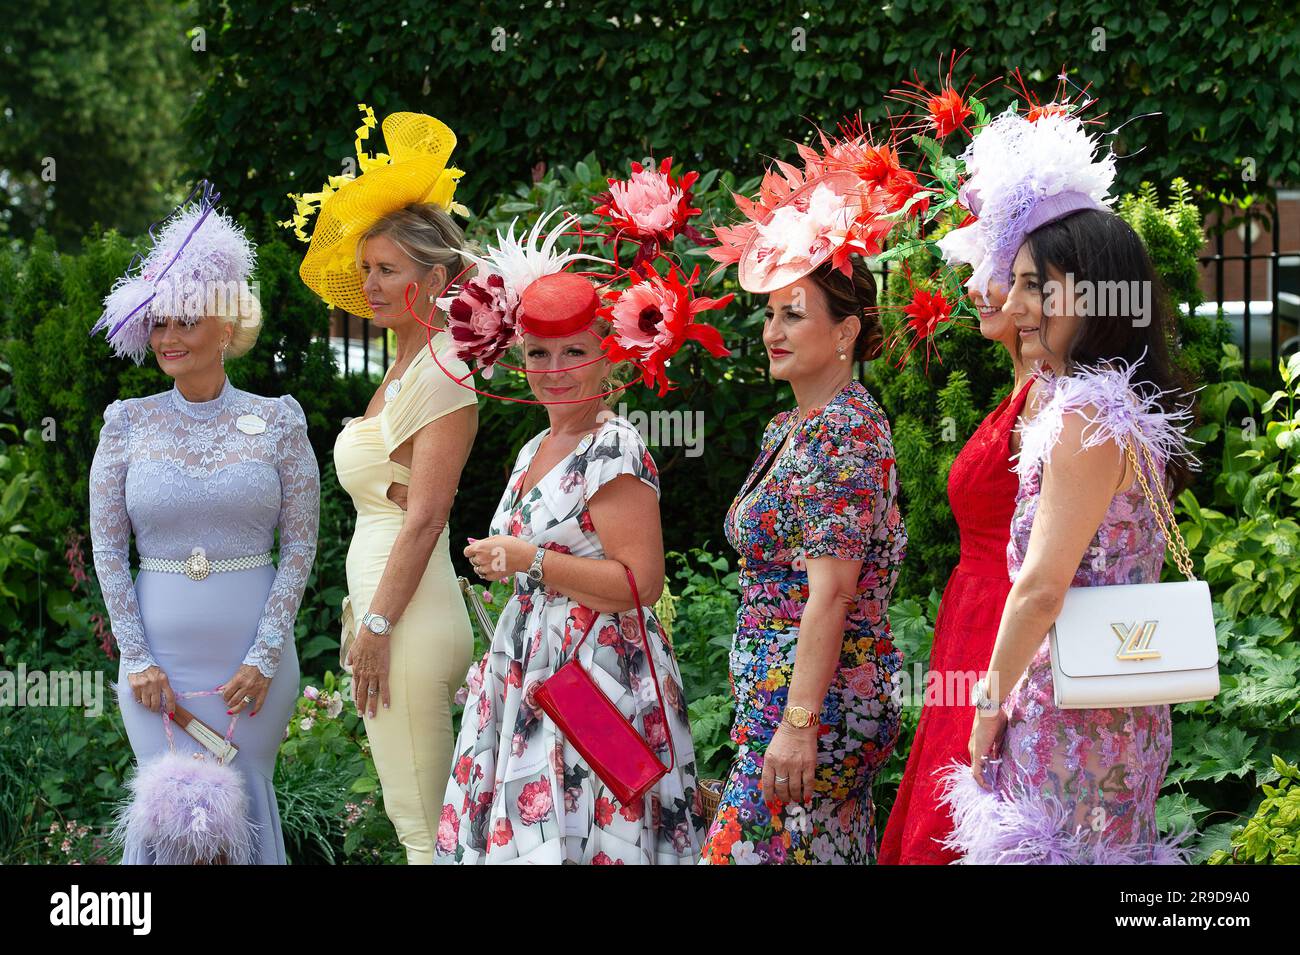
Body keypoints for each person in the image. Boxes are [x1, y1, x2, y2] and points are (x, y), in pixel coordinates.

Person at [934, 107, 1197, 863]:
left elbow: (1042, 587)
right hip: (1112, 703)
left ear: (1093, 294)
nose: (1012, 304)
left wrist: (987, 703)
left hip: (1069, 716)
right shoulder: (1112, 404)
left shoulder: (1083, 416)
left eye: (1031, 286)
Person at [436, 187, 729, 863]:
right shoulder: (531, 448)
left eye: (573, 352)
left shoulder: (616, 445)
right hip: (532, 670)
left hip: (601, 680)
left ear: (608, 355)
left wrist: (529, 561)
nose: (554, 371)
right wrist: (504, 560)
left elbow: (640, 583)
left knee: (593, 833)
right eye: (539, 355)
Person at [90, 182, 319, 864]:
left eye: (186, 320)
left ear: (227, 326)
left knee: (239, 810)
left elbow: (302, 543)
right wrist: (134, 654)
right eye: (158, 322)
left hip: (253, 665)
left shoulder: (281, 419)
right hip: (154, 666)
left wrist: (265, 654)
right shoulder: (125, 423)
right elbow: (107, 546)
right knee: (171, 824)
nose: (168, 336)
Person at [701, 145, 908, 864]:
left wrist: (797, 723)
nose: (771, 331)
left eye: (793, 315)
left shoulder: (846, 429)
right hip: (782, 701)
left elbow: (832, 593)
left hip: (817, 708)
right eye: (769, 315)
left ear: (846, 331)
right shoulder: (789, 426)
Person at [292, 107, 479, 864]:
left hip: (406, 623)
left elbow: (426, 516)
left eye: (387, 270)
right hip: (388, 616)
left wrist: (376, 629)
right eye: (366, 268)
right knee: (423, 826)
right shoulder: (403, 370)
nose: (369, 284)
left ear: (433, 279)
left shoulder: (442, 371)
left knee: (423, 834)